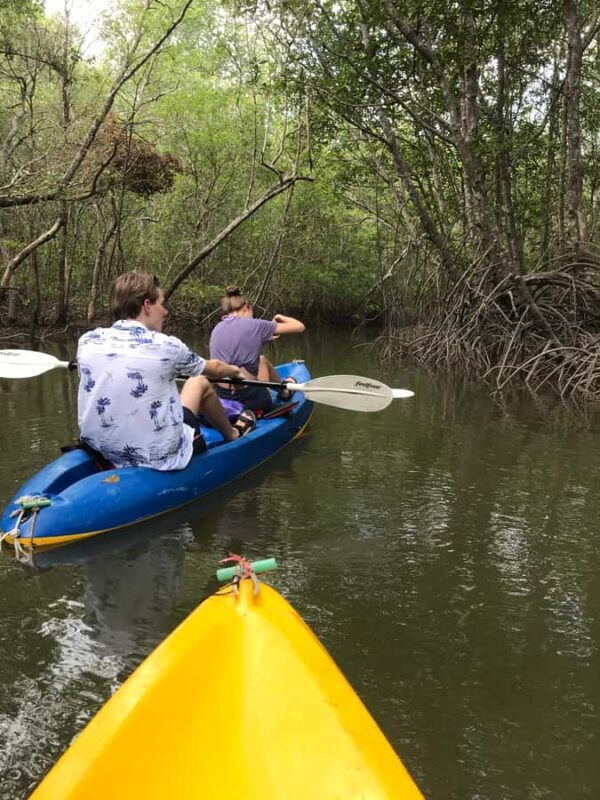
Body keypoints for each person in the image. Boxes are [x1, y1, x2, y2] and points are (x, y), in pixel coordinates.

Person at [77, 272, 256, 471]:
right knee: (200, 382)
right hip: (161, 457)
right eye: (161, 304)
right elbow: (213, 370)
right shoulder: (166, 346)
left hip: (101, 450)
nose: (165, 311)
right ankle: (231, 434)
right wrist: (234, 371)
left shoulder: (87, 341)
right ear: (147, 306)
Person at [209, 286, 305, 413]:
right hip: (250, 400)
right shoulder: (257, 325)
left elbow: (240, 346)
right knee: (262, 360)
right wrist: (279, 316)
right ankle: (285, 392)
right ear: (247, 308)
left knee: (260, 359)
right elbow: (299, 327)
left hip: (222, 396)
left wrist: (264, 337)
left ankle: (280, 390)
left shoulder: (217, 327)